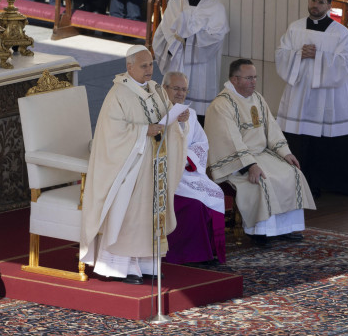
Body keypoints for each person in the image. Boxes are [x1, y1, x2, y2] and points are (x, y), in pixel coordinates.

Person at [80, 45, 187, 284]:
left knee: (149, 215)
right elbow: (111, 133)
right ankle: (120, 267)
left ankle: (147, 264)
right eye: (143, 65)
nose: (149, 70)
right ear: (129, 67)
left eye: (151, 65)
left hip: (155, 165)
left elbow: (167, 117)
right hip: (129, 168)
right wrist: (143, 131)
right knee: (129, 215)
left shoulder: (156, 90)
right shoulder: (118, 94)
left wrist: (179, 119)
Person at [204, 59, 316, 248]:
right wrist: (250, 165)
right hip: (236, 162)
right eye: (249, 78)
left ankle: (284, 228)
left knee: (292, 172)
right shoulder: (221, 105)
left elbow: (272, 128)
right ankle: (261, 232)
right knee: (263, 180)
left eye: (255, 77)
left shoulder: (257, 98)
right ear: (234, 79)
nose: (254, 82)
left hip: (261, 154)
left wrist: (285, 152)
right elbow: (230, 140)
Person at [275, 0, 348, 197]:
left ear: (329, 5)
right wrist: (298, 54)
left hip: (327, 96)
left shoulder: (339, 32)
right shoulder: (295, 28)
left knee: (324, 139)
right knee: (299, 138)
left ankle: (326, 184)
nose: (315, 5)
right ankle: (297, 182)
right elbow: (281, 54)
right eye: (313, 0)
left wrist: (319, 56)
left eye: (321, 2)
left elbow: (346, 62)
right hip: (300, 93)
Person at [161, 71, 226, 266]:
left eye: (184, 89)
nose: (181, 93)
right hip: (167, 175)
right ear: (164, 89)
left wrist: (187, 158)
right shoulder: (158, 112)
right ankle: (191, 255)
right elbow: (158, 143)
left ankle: (211, 251)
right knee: (195, 205)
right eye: (176, 88)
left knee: (216, 194)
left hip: (187, 171)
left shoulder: (191, 115)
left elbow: (201, 143)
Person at [152, 0, 230, 124]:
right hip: (178, 61)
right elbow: (164, 31)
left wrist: (190, 39)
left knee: (198, 116)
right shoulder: (175, 3)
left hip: (202, 68)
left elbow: (216, 37)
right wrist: (178, 42)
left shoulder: (215, 8)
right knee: (172, 110)